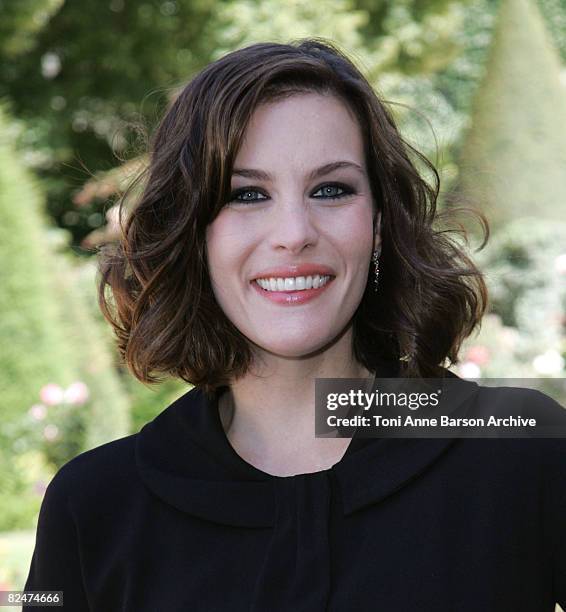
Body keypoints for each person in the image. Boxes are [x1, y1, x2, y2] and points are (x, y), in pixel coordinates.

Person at [24, 38, 566, 611]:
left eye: (330, 190)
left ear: (379, 223)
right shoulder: (94, 508)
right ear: (194, 234)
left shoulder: (521, 448)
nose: (293, 232)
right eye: (247, 194)